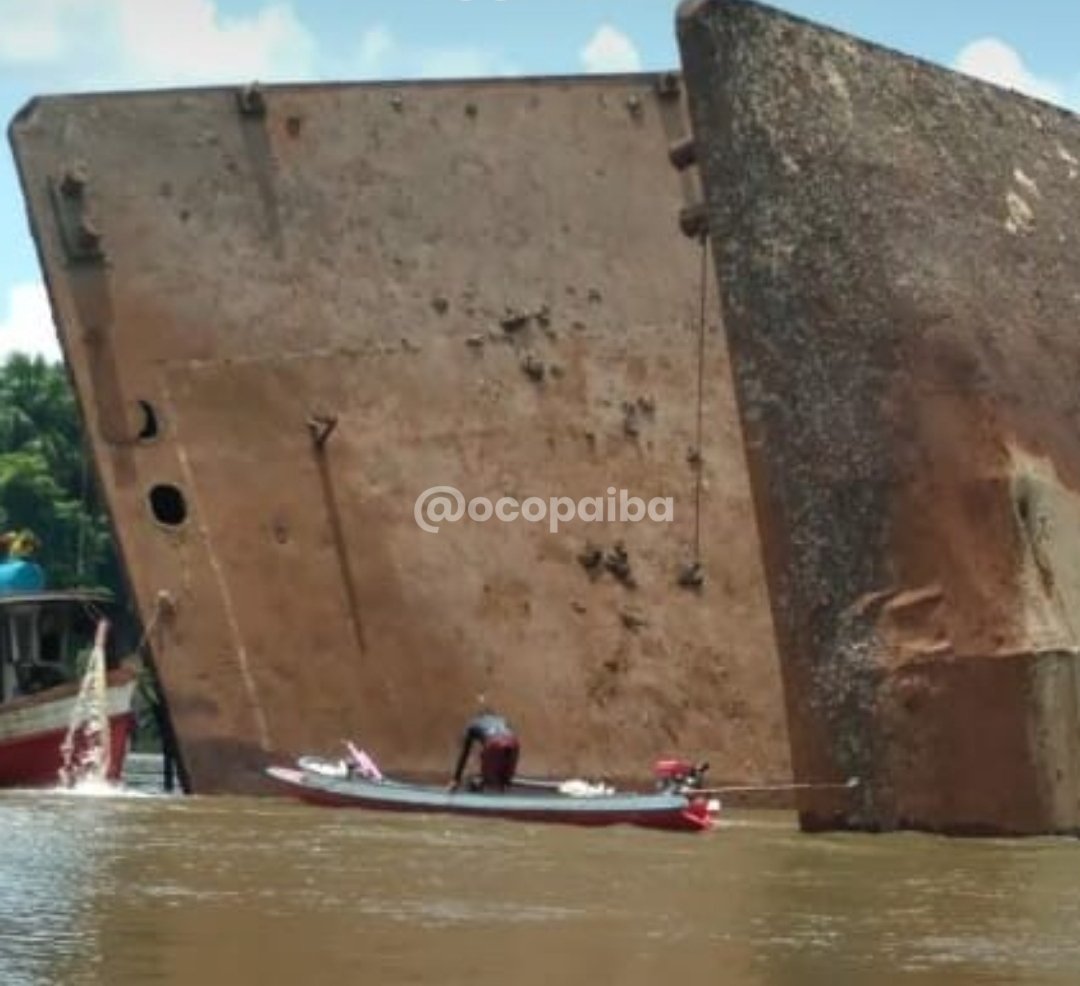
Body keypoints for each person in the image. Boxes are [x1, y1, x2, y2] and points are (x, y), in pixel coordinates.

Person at [448, 702, 520, 793]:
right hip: (514, 743)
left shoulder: (474, 723)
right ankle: (502, 784)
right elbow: (508, 738)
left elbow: (464, 754)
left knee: (490, 780)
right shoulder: (502, 720)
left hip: (494, 742)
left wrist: (456, 779)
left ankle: (480, 787)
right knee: (504, 781)